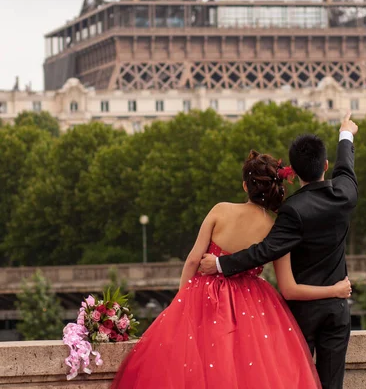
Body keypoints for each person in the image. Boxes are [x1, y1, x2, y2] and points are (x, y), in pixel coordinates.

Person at [112, 149, 352, 389]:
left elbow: (193, 260)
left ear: (246, 186)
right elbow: (289, 289)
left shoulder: (220, 210)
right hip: (255, 307)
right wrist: (335, 290)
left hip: (205, 299)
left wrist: (181, 300)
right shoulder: (276, 227)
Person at [200, 112, 358, 389]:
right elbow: (346, 167)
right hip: (337, 308)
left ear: (293, 173)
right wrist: (346, 133)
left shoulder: (292, 210)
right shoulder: (345, 194)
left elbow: (264, 251)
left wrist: (221, 265)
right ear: (325, 165)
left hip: (302, 314)